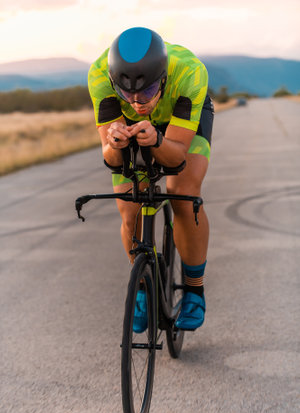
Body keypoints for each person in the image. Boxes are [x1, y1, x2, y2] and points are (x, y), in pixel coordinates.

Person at [88, 27, 214, 332]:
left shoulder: (189, 72)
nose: (136, 103)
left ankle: (194, 291)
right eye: (125, 94)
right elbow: (112, 160)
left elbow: (177, 157)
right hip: (133, 129)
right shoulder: (99, 75)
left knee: (181, 194)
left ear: (163, 79)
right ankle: (142, 286)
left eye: (144, 93)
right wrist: (114, 145)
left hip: (179, 124)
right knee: (129, 208)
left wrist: (157, 140)